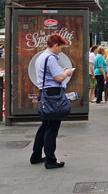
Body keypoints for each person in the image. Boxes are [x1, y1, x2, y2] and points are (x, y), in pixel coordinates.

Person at [30, 33, 74, 169]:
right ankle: (50, 159)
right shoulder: (50, 58)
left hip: (44, 93)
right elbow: (58, 78)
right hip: (53, 94)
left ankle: (36, 155)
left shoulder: (41, 56)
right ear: (55, 45)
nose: (61, 50)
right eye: (60, 47)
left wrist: (61, 71)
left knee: (45, 125)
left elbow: (50, 74)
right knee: (52, 127)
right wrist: (67, 73)